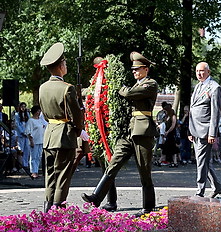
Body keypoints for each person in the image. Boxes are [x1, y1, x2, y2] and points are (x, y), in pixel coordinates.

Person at [82, 51, 159, 216]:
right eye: (133, 69)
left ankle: (148, 207)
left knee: (144, 171)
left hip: (143, 132)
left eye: (137, 69)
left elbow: (129, 94)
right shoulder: (137, 84)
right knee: (113, 164)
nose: (134, 72)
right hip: (130, 132)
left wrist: (118, 87)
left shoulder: (151, 84)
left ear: (146, 69)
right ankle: (96, 197)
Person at [39, 42, 84, 212]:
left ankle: (48, 206)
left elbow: (44, 114)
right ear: (60, 67)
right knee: (63, 174)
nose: (66, 66)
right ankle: (58, 208)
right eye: (64, 63)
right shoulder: (68, 88)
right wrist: (79, 131)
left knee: (50, 175)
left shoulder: (43, 88)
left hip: (49, 135)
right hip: (64, 136)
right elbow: (76, 116)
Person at [188, 62, 221, 198]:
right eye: (197, 71)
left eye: (202, 71)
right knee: (202, 160)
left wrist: (212, 133)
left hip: (205, 131)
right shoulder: (197, 86)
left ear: (208, 72)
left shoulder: (215, 88)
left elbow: (215, 113)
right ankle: (217, 186)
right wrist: (190, 131)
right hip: (195, 130)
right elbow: (193, 110)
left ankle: (200, 190)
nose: (199, 73)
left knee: (201, 161)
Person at [25, 105, 47, 179]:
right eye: (38, 111)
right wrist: (31, 141)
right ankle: (33, 172)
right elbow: (28, 131)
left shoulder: (40, 120)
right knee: (33, 156)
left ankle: (36, 171)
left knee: (38, 156)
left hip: (41, 140)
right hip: (34, 140)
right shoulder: (31, 121)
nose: (39, 112)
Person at [15, 102, 30, 169]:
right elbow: (17, 124)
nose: (23, 108)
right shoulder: (17, 114)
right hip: (21, 134)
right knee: (21, 149)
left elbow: (29, 123)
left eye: (24, 106)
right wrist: (22, 132)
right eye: (22, 106)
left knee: (27, 148)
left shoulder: (27, 114)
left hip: (26, 134)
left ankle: (25, 163)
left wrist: (27, 132)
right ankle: (21, 164)